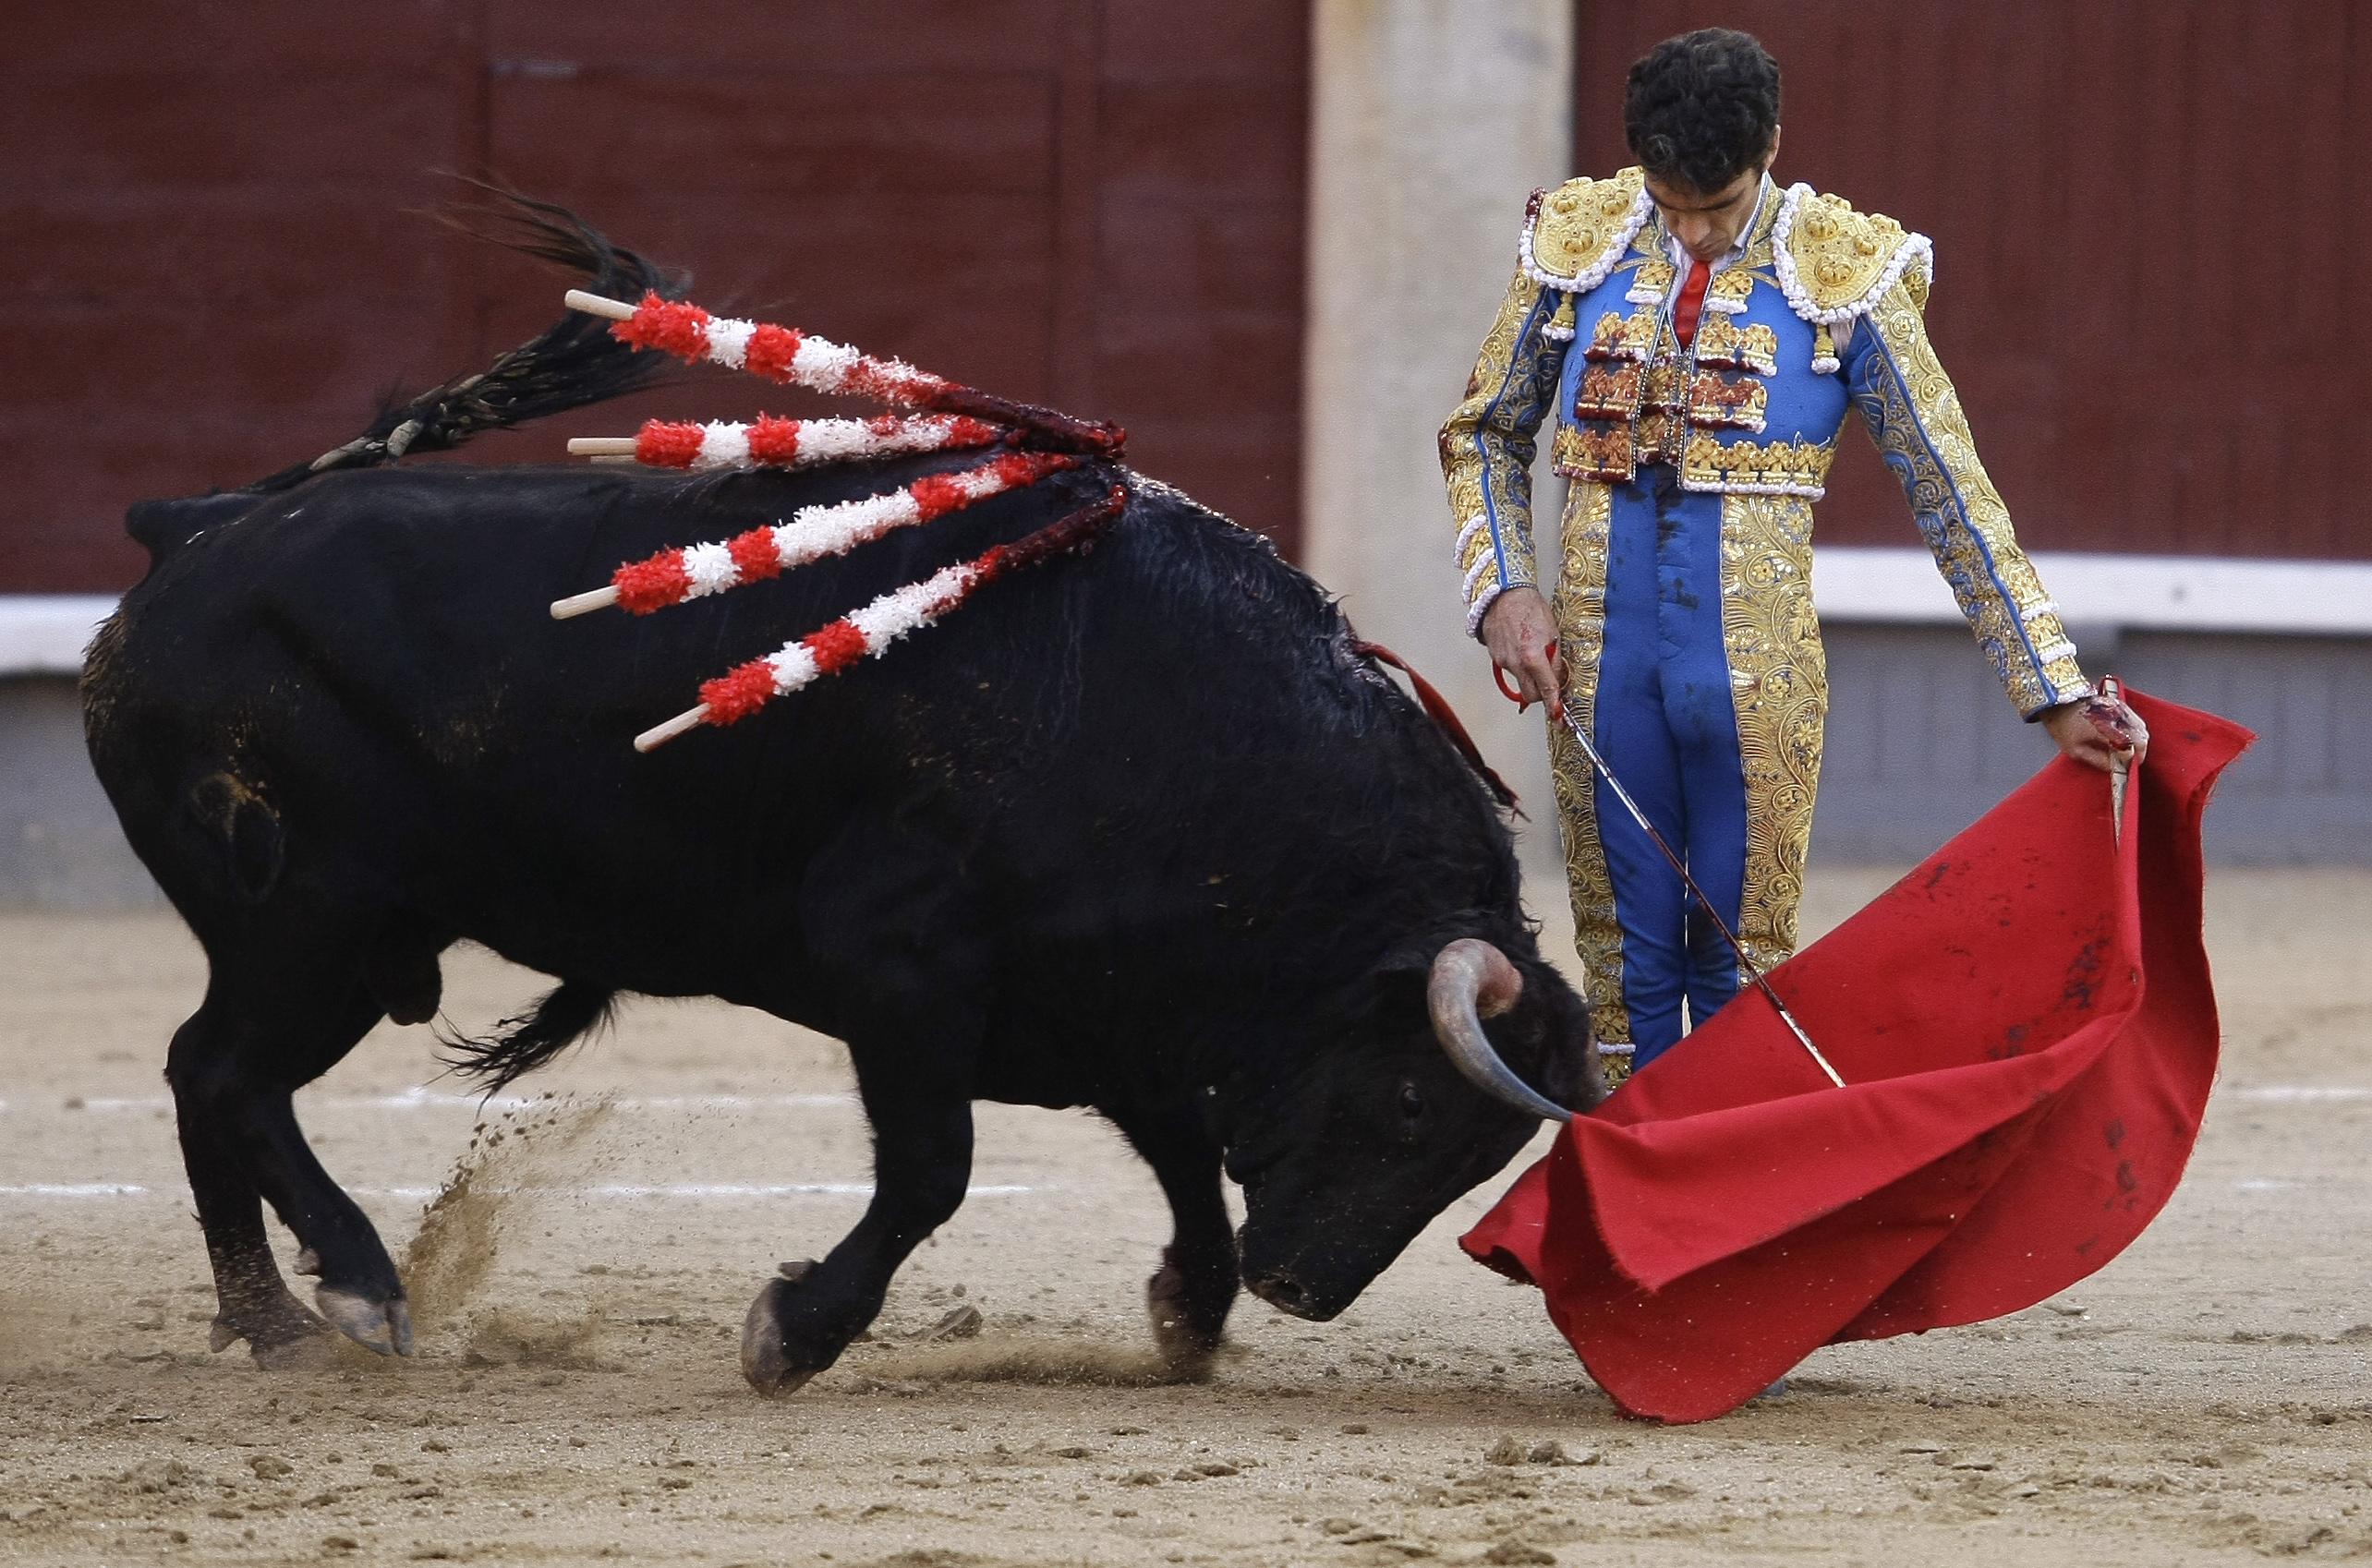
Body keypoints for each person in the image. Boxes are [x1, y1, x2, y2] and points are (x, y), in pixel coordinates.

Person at [1438, 28, 2144, 1080]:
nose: (1693, 232)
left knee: (1740, 963)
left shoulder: (1845, 271)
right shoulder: (1579, 244)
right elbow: (1485, 432)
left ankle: (1729, 1213)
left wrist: (2050, 687)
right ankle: (1633, 1223)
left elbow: (1953, 493)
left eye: (1714, 209)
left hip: (1753, 683)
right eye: (1670, 205)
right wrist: (1503, 587)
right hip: (1597, 666)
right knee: (1624, 963)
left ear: (1771, 145)